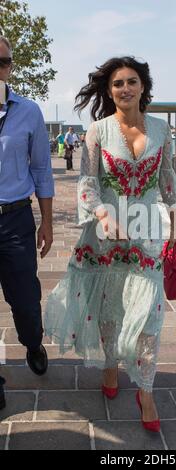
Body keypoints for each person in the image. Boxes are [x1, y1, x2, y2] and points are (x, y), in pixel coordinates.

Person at [44, 56, 176, 432]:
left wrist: (175, 223)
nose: (125, 89)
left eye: (132, 82)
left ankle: (147, 390)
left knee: (151, 311)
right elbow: (87, 182)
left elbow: (168, 177)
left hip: (146, 231)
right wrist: (104, 214)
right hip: (105, 233)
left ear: (143, 87)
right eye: (118, 83)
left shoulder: (161, 129)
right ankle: (109, 364)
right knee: (108, 302)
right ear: (109, 91)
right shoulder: (97, 132)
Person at [0, 36, 54, 408]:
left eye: (1, 61)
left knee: (25, 299)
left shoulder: (29, 111)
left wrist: (47, 222)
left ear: (10, 66)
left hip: (15, 219)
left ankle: (33, 342)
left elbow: (42, 169)